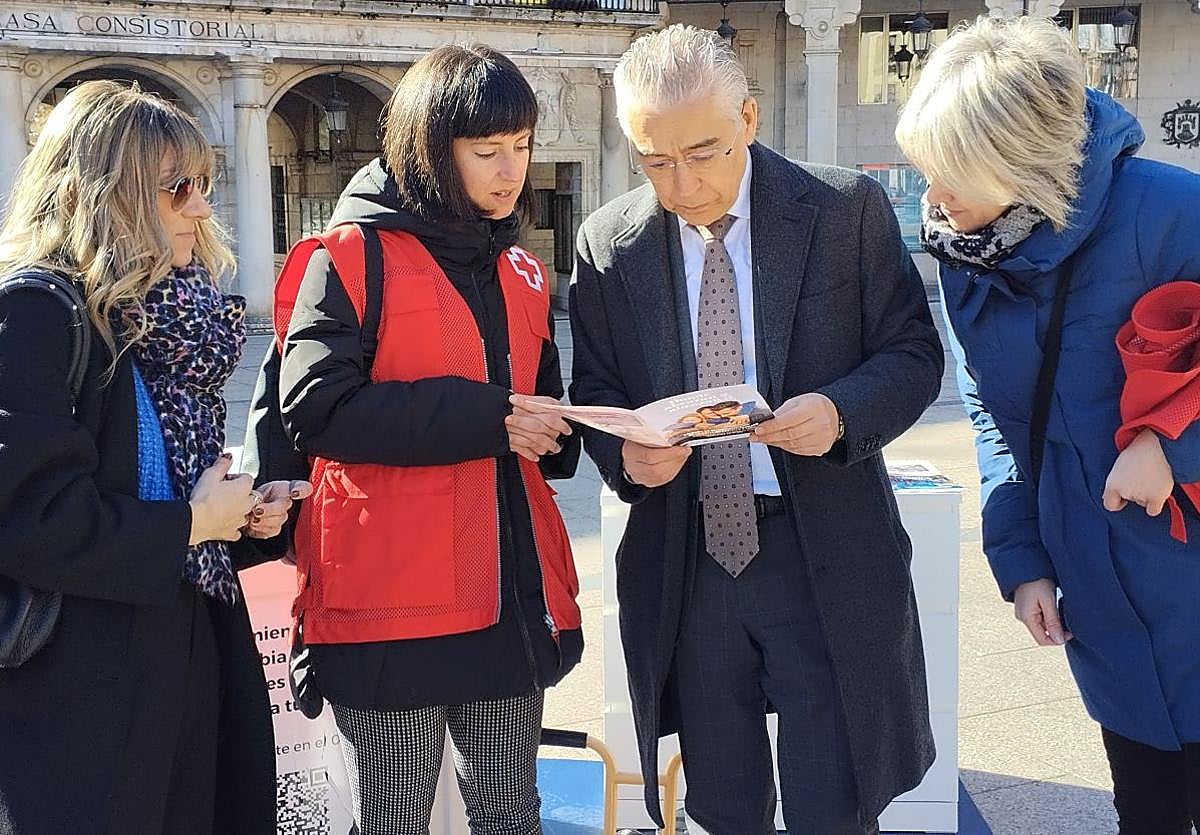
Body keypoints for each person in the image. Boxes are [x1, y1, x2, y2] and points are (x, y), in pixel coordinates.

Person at [569, 25, 944, 835]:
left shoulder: (843, 208)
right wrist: (627, 457)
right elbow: (596, 384)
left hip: (824, 551)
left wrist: (843, 410)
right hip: (689, 557)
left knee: (833, 798)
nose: (683, 183)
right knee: (723, 800)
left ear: (749, 115)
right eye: (654, 160)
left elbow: (914, 352)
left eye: (702, 152)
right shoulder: (609, 242)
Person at [896, 16, 1200, 834]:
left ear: (1019, 159)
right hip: (1098, 591)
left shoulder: (1173, 211)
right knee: (1147, 806)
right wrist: (1023, 559)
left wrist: (1169, 444)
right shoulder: (966, 254)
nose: (933, 196)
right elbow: (996, 424)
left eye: (951, 172)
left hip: (1186, 564)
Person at [277, 44, 582, 835]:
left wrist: (560, 433)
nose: (510, 169)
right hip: (390, 608)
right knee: (392, 821)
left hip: (507, 598)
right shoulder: (348, 256)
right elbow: (313, 407)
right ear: (429, 149)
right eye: (487, 151)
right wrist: (492, 417)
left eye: (520, 146)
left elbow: (537, 401)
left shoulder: (522, 268)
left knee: (512, 815)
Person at [0, 80, 306, 834]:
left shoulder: (169, 315)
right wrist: (192, 522)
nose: (201, 208)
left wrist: (240, 519)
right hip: (80, 698)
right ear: (106, 194)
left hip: (186, 661)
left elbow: (172, 501)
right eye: (176, 189)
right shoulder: (38, 311)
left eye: (201, 185)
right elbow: (28, 518)